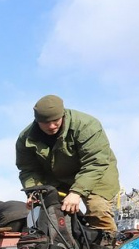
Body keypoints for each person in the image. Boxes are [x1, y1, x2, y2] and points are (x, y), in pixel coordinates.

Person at [15, 95, 120, 232]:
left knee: (97, 209)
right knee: (48, 212)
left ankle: (108, 247)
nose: (51, 126)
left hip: (96, 174)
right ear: (37, 120)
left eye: (55, 121)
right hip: (58, 177)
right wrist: (35, 191)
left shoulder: (87, 126)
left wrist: (77, 192)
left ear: (63, 115)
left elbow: (96, 162)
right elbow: (28, 169)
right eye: (46, 122)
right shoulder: (26, 138)